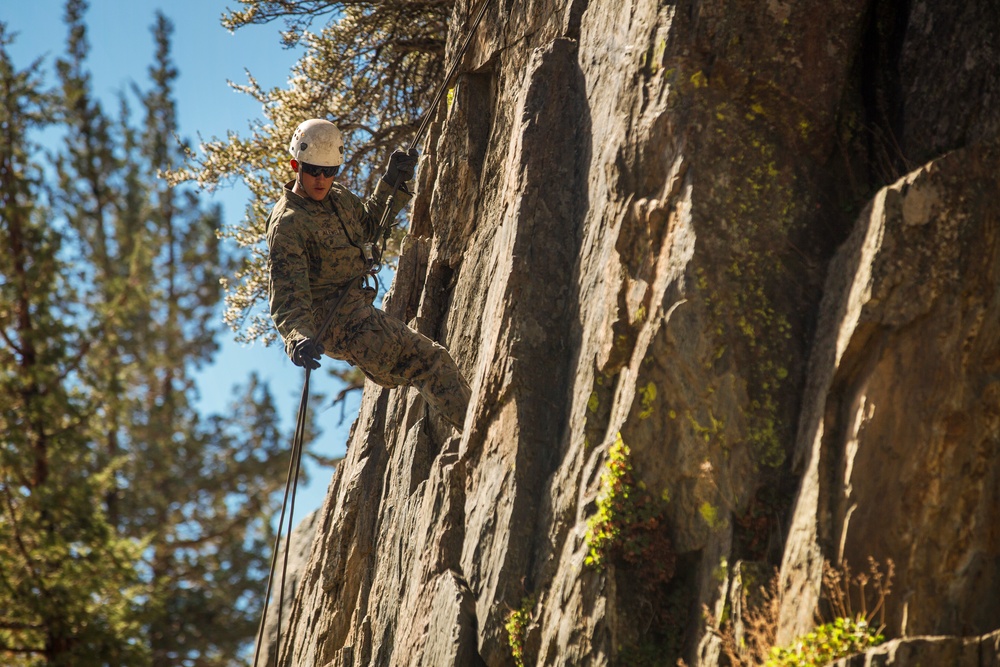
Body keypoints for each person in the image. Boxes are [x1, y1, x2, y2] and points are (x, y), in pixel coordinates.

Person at [266, 118, 471, 431]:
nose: (321, 180)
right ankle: (478, 433)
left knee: (430, 361)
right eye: (313, 171)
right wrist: (298, 339)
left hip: (357, 309)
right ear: (296, 164)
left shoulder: (339, 198)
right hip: (338, 325)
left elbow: (370, 225)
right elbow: (288, 295)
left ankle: (473, 428)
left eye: (329, 172)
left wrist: (392, 181)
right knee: (430, 362)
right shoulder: (288, 225)